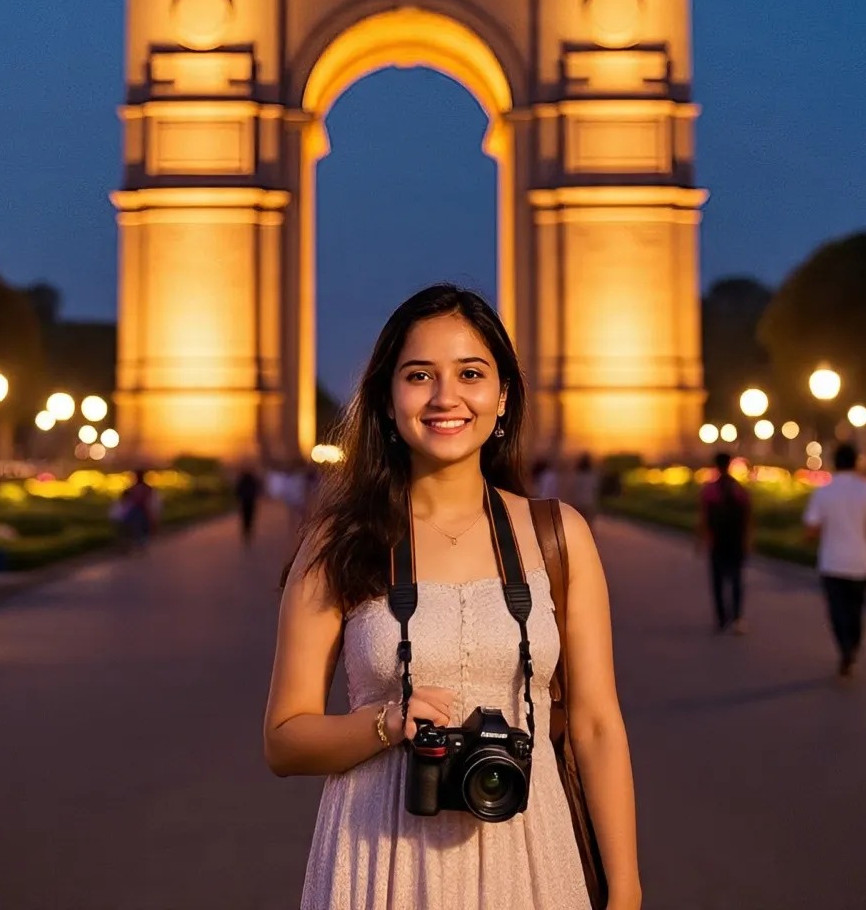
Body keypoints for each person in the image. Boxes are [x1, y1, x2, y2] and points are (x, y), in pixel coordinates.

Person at [264, 284, 641, 910]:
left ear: (503, 396)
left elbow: (598, 725)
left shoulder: (559, 535)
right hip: (378, 856)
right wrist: (385, 724)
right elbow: (282, 741)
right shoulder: (338, 543)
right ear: (386, 400)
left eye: (470, 373)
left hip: (532, 855)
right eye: (419, 376)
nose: (446, 398)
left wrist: (624, 887)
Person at [803, 442, 866, 678]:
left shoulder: (823, 491)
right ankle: (853, 647)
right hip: (860, 561)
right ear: (855, 462)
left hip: (832, 561)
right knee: (856, 609)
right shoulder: (865, 491)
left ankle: (845, 649)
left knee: (836, 610)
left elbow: (811, 529)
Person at [696, 452, 752, 634]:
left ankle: (721, 618)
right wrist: (747, 540)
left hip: (718, 541)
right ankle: (736, 617)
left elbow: (704, 517)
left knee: (717, 581)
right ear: (730, 464)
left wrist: (701, 539)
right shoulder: (739, 489)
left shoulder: (710, 490)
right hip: (735, 540)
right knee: (736, 579)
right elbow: (749, 517)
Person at [115, 470, 156, 552]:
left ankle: (136, 544)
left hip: (139, 511)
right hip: (137, 510)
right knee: (137, 528)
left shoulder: (138, 488)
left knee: (137, 528)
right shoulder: (143, 488)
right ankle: (135, 544)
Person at [570, 452, 601, 528]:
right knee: (587, 524)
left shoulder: (577, 476)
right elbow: (595, 490)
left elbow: (573, 489)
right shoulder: (592, 476)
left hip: (577, 501)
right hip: (588, 501)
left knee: (577, 523)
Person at [235, 463, 262, 545]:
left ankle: (246, 530)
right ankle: (248, 530)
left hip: (244, 501)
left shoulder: (242, 480)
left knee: (245, 517)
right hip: (250, 500)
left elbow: (238, 490)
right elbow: (256, 488)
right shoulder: (252, 479)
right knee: (250, 517)